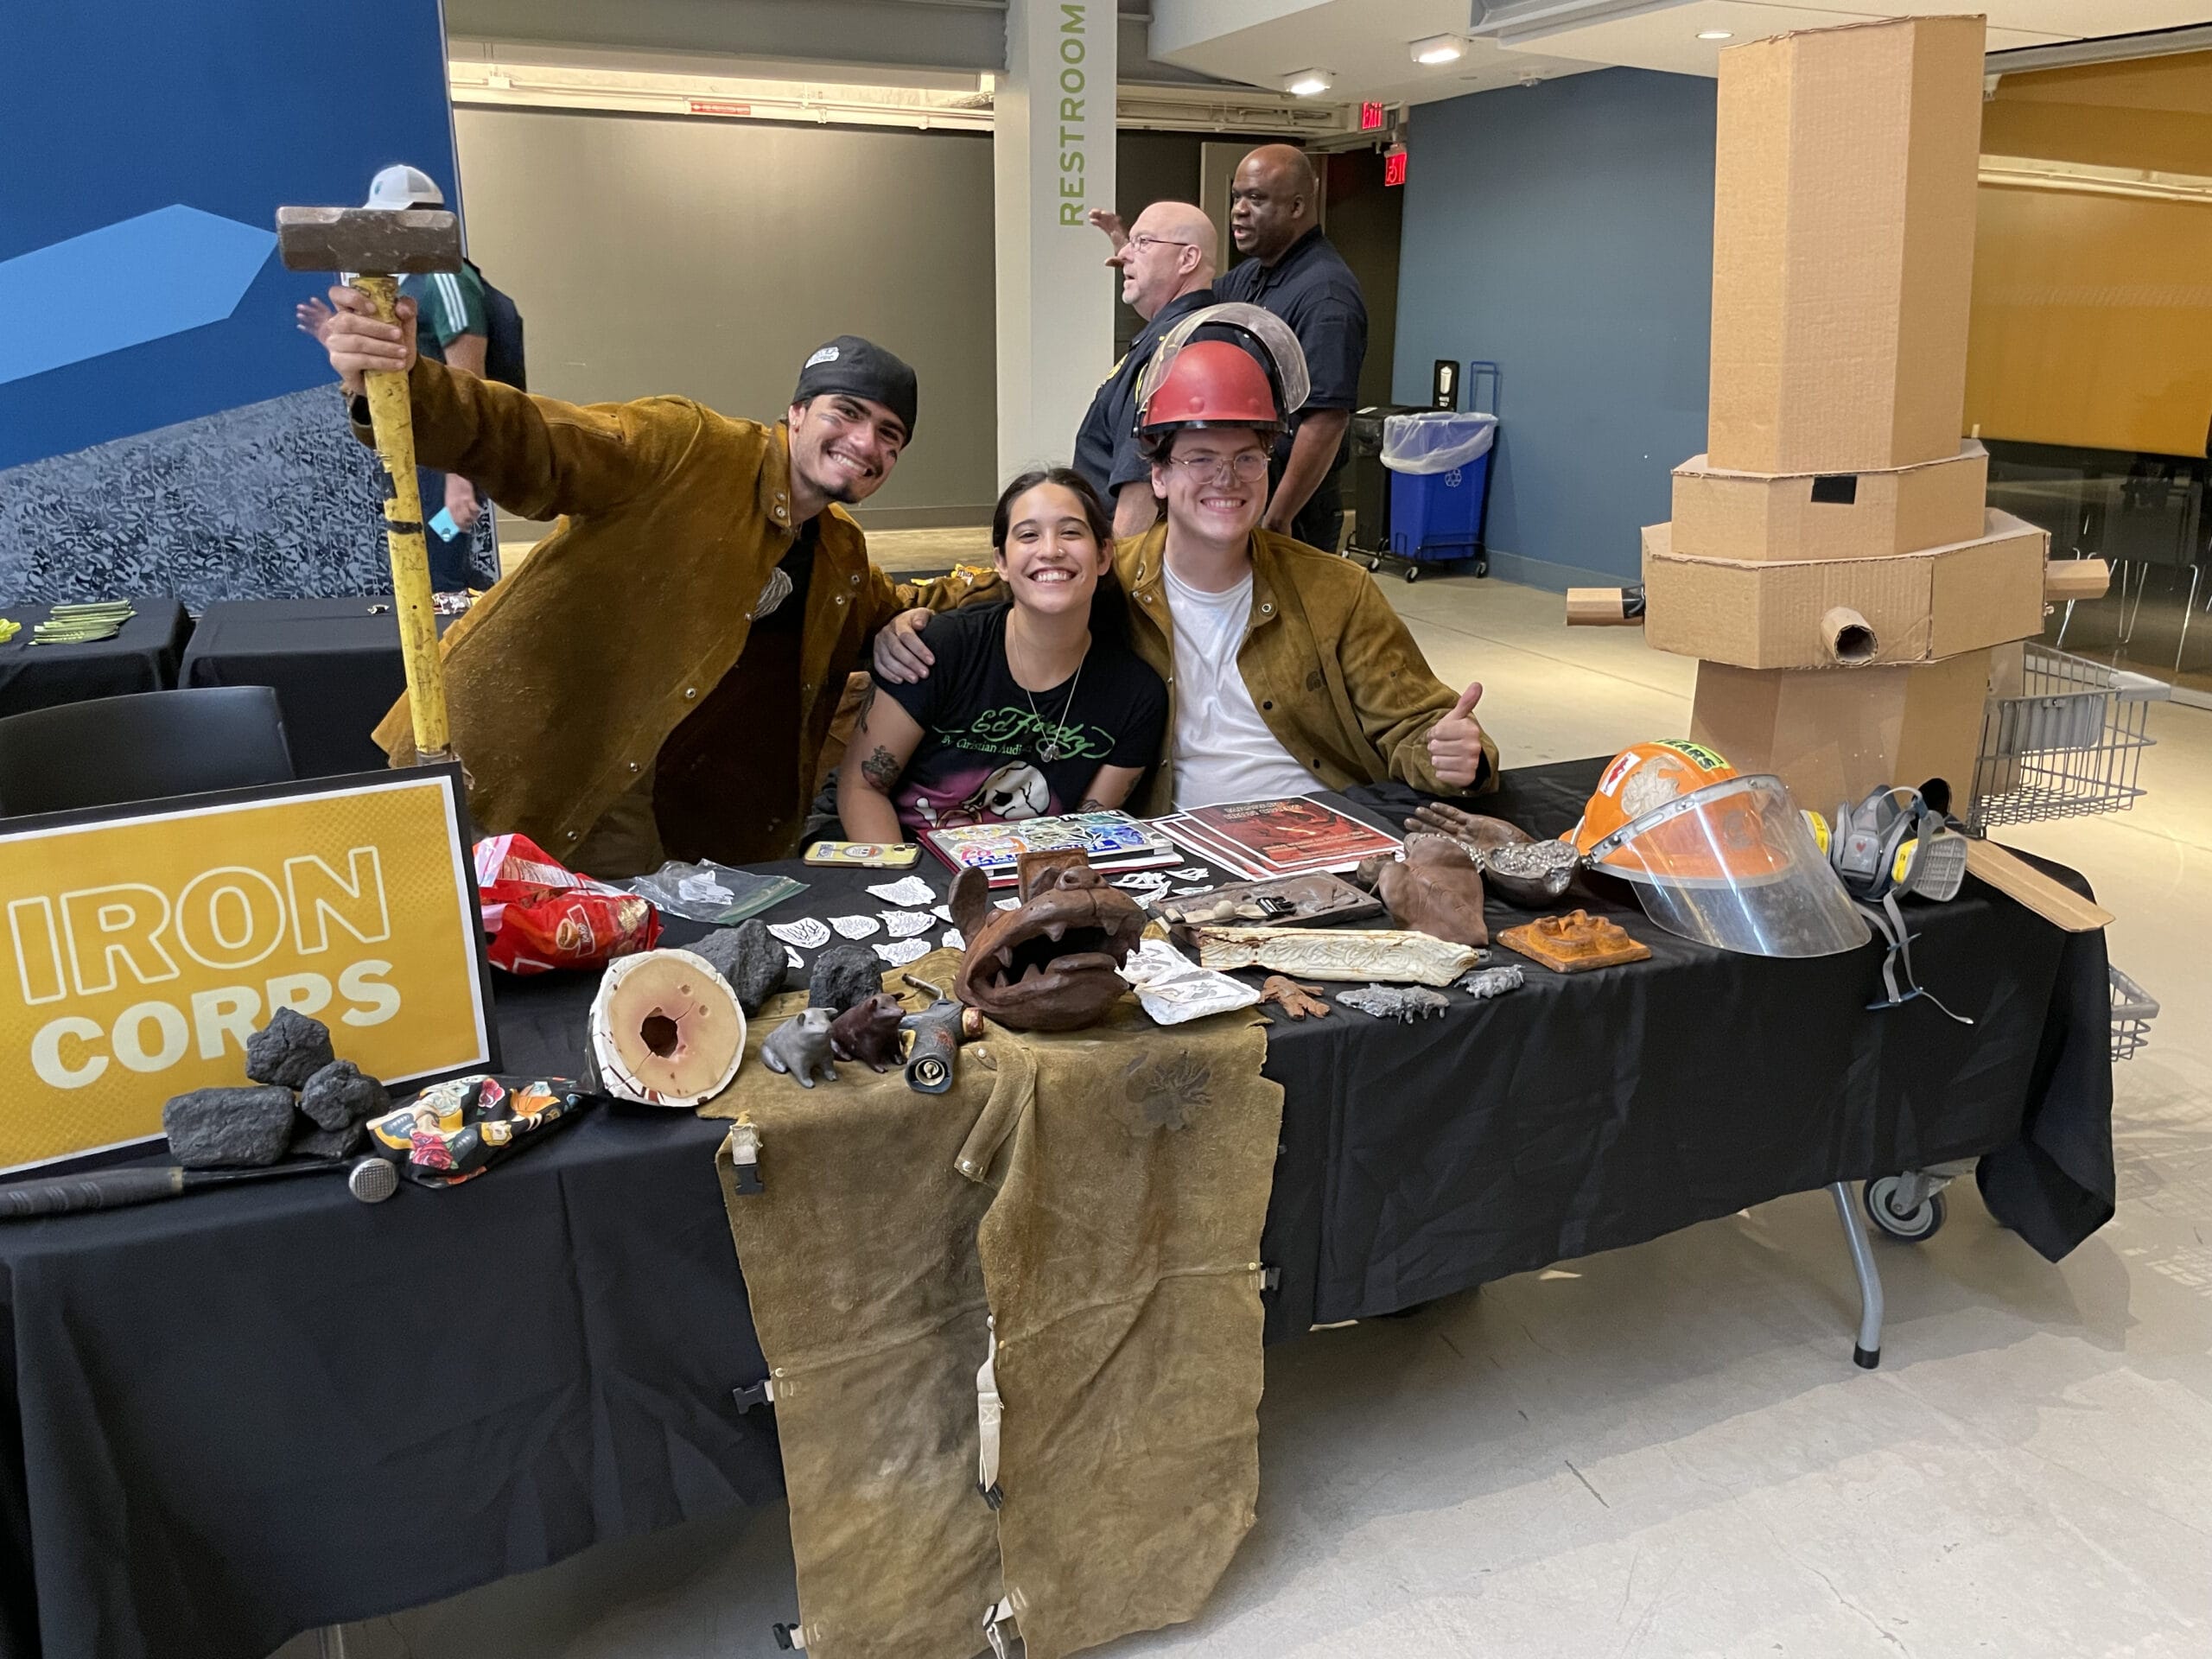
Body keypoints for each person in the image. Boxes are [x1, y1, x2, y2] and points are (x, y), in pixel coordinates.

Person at [312, 291, 978, 875]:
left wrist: (1030, 567)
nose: (865, 442)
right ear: (796, 413)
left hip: (660, 811)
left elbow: (913, 605)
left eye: (889, 435)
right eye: (847, 413)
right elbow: (534, 440)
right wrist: (408, 385)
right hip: (511, 767)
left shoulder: (840, 554)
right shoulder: (688, 448)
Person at [876, 305, 1492, 814]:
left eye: (1247, 458)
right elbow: (1007, 584)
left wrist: (1454, 754)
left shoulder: (1337, 591)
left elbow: (1419, 724)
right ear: (1160, 475)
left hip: (1320, 837)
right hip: (1176, 849)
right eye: (1200, 458)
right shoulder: (1106, 576)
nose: (1228, 480)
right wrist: (899, 620)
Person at [838, 468, 1166, 841]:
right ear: (1002, 562)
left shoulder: (1136, 694)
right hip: (902, 867)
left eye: (1071, 532)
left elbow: (1083, 833)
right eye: (1028, 535)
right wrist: (904, 893)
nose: (1051, 550)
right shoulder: (937, 650)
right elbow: (863, 788)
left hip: (1030, 881)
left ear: (1104, 555)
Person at [296, 165, 512, 592]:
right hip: (416, 447)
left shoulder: (447, 279)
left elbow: (470, 385)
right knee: (430, 555)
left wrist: (460, 477)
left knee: (441, 562)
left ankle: (454, 635)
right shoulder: (406, 283)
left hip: (445, 456)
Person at [1213, 145, 1367, 552]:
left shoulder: (1325, 295)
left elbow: (1326, 420)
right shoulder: (1251, 276)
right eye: (1237, 197)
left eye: (1256, 198)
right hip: (1247, 494)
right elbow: (1192, 310)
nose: (1239, 210)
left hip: (1293, 512)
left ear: (1297, 206)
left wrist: (1278, 518)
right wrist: (1145, 262)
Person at [1071, 201, 1217, 539]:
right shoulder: (1172, 333)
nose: (1125, 255)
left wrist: (1116, 582)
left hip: (1129, 556)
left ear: (1188, 259)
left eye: (1144, 243)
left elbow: (1142, 476)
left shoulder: (1183, 344)